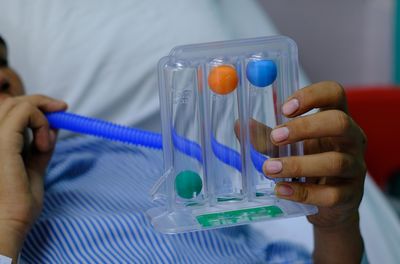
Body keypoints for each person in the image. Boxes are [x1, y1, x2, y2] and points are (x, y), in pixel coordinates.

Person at [0, 35, 367, 263]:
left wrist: (336, 224)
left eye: (2, 61)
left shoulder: (137, 159)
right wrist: (9, 225)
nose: (2, 75)